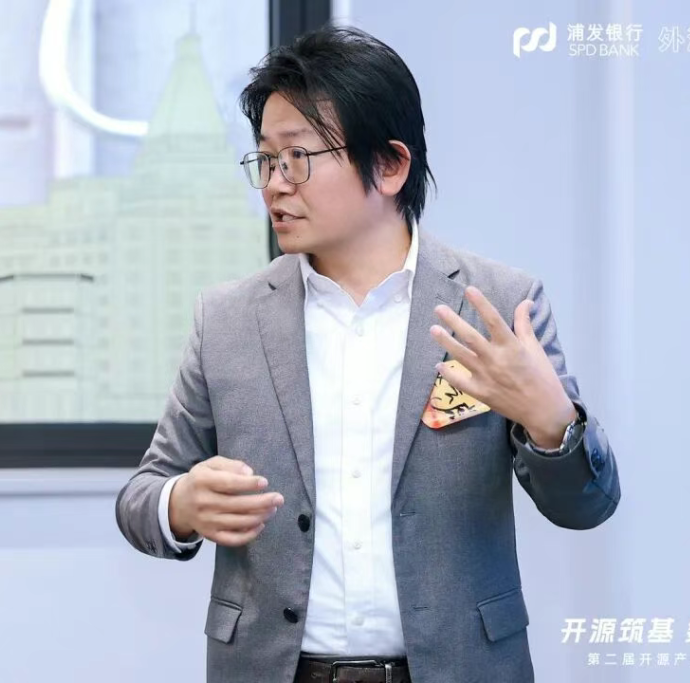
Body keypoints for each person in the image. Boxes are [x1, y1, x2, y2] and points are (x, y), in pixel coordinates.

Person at [116, 24, 620, 683]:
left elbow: (587, 505)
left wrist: (552, 422)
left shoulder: (498, 305)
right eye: (264, 160)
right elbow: (142, 497)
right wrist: (181, 503)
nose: (274, 184)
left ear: (389, 164)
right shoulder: (228, 320)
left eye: (297, 157)